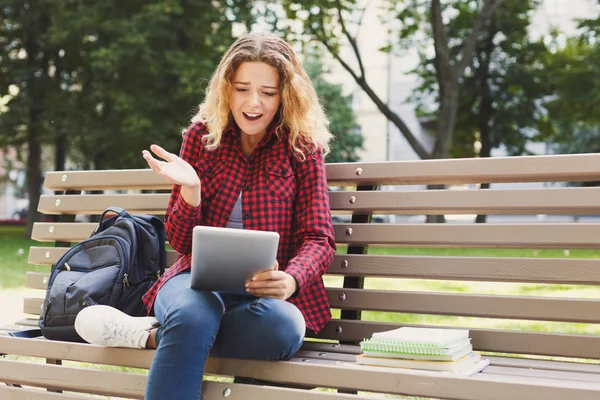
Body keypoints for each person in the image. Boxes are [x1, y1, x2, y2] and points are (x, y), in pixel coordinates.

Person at [74, 32, 336, 399]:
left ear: (286, 95)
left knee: (285, 329)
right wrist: (191, 191)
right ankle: (181, 327)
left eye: (268, 92)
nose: (254, 103)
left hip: (262, 301)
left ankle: (147, 335)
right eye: (243, 89)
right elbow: (180, 243)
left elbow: (319, 238)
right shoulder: (201, 137)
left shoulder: (302, 148)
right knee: (195, 313)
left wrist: (292, 279)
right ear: (226, 88)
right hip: (193, 284)